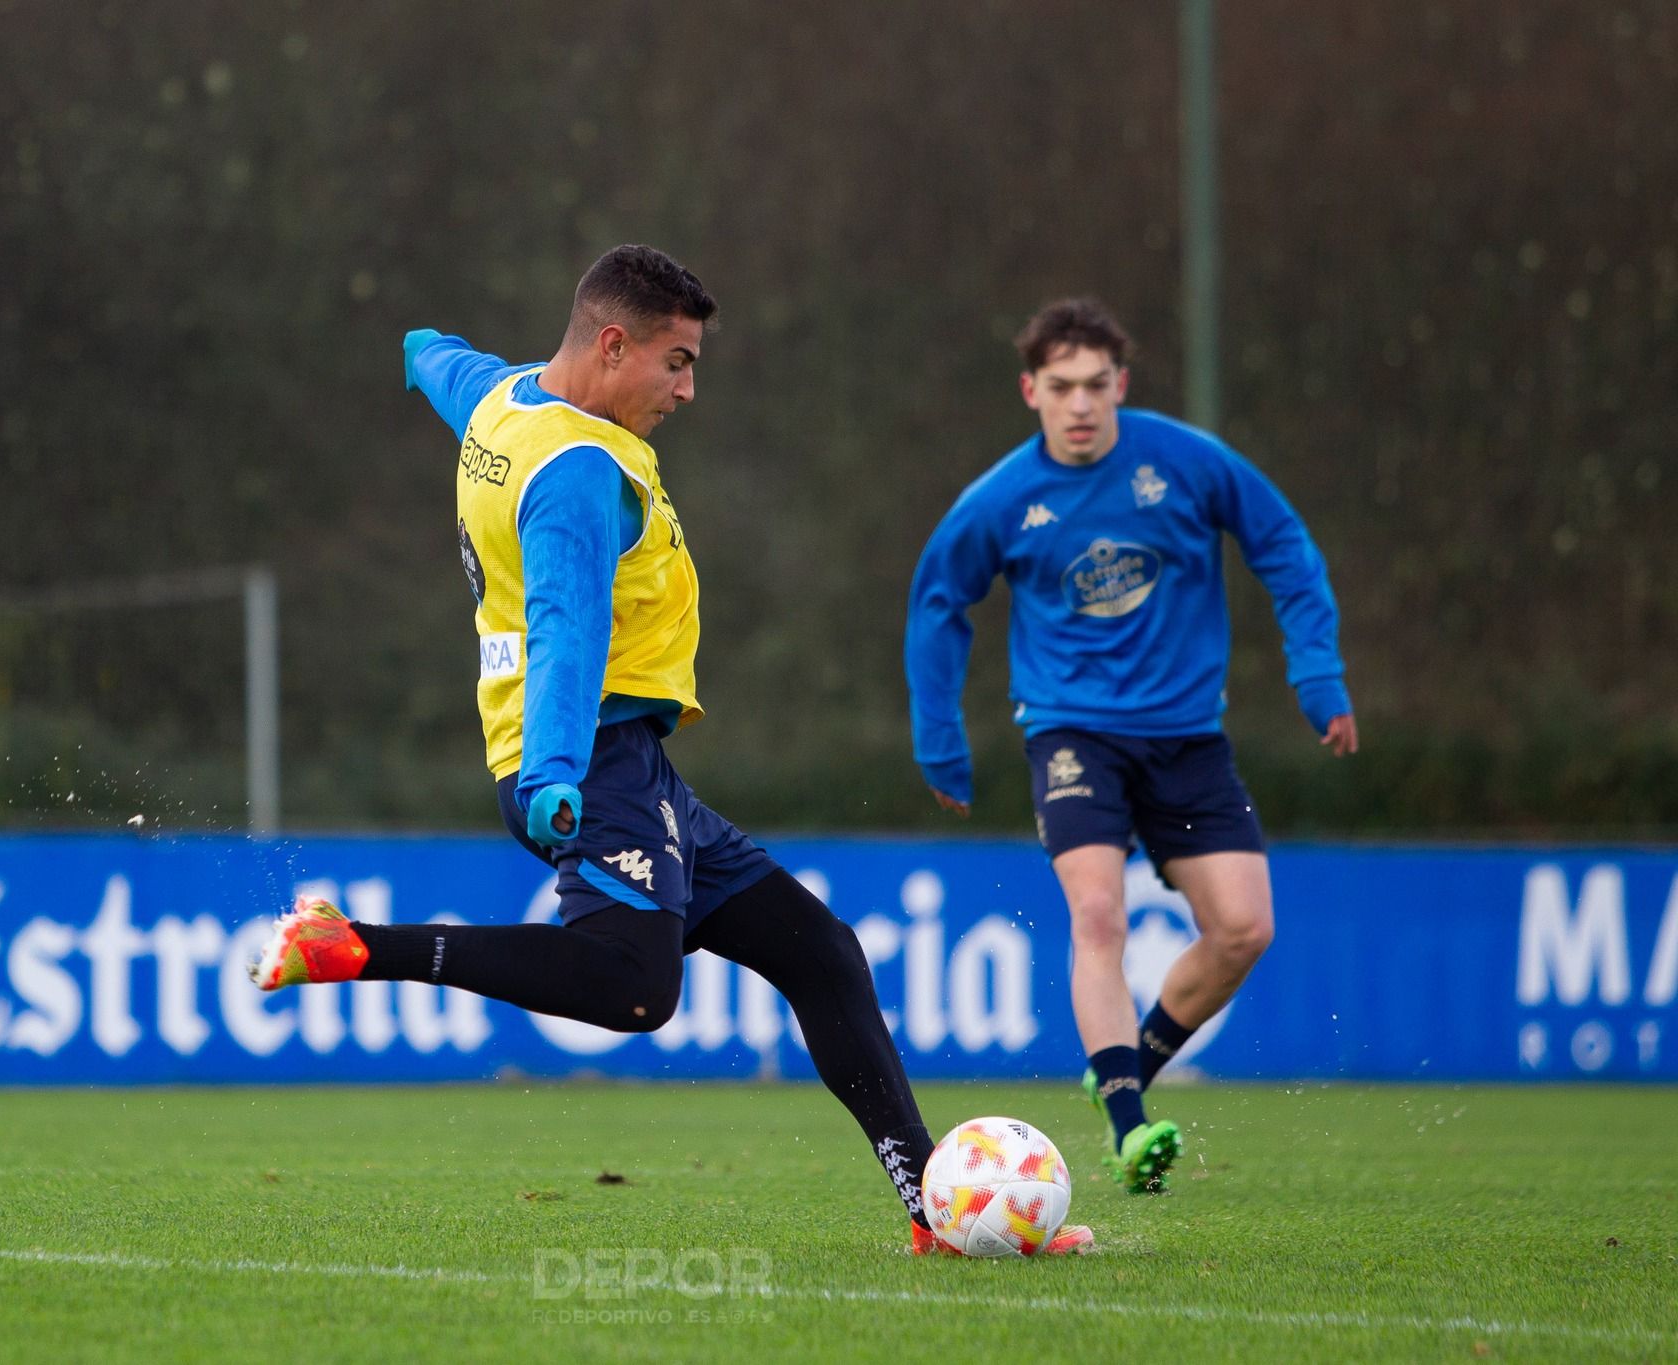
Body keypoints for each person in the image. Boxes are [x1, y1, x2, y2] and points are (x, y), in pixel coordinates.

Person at [250, 245, 1091, 1256]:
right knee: (636, 992)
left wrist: (418, 350)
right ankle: (354, 945)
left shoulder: (504, 402)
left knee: (820, 955)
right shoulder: (575, 478)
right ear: (611, 345)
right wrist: (557, 772)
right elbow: (568, 629)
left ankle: (933, 1215)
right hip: (584, 759)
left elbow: (449, 367)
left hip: (623, 763)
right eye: (675, 362)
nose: (688, 389)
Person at [904, 298, 1358, 1194]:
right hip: (1073, 734)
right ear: (1031, 390)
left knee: (1243, 929)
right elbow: (937, 603)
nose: (1080, 404)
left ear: (1122, 384)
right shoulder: (1000, 500)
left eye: (1096, 385)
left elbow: (1284, 546)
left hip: (1188, 736)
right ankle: (1128, 1128)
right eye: (1062, 387)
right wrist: (938, 735)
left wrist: (1318, 675)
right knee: (1099, 915)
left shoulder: (1187, 464)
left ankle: (1127, 1064)